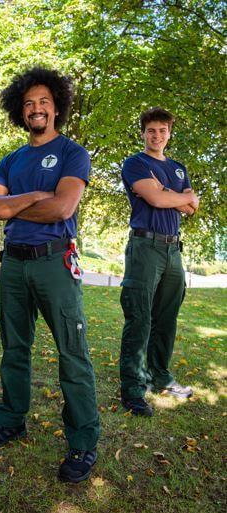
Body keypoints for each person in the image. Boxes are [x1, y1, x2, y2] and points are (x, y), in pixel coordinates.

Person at [0, 67, 100, 483]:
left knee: (72, 351)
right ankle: (11, 420)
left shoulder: (72, 153)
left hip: (54, 262)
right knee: (14, 347)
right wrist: (36, 197)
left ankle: (83, 442)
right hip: (14, 264)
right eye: (29, 103)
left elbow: (63, 208)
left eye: (44, 101)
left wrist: (14, 204)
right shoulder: (10, 159)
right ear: (19, 111)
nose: (36, 108)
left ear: (56, 107)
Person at [119, 107, 199, 417]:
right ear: (143, 133)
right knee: (139, 317)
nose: (157, 135)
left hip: (173, 250)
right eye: (151, 130)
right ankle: (133, 388)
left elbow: (193, 208)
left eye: (162, 130)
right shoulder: (135, 163)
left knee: (166, 319)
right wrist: (175, 196)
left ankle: (161, 377)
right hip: (145, 247)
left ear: (169, 133)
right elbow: (156, 200)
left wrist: (168, 191)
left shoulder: (178, 168)